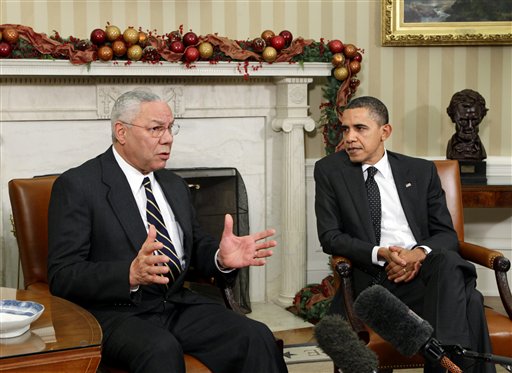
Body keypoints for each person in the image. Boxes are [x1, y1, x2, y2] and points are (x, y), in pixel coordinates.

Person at [47, 89, 287, 373]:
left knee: (255, 335)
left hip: (173, 303)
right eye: (156, 129)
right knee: (161, 350)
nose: (168, 138)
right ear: (121, 132)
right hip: (114, 312)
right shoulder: (78, 185)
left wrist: (220, 259)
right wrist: (129, 274)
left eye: (171, 127)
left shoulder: (173, 184)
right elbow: (63, 275)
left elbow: (195, 246)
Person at [314, 96, 495, 373]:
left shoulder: (420, 171)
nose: (349, 138)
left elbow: (446, 234)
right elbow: (330, 237)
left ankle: (443, 360)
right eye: (345, 129)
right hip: (373, 282)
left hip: (423, 275)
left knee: (445, 260)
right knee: (469, 300)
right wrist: (381, 254)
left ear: (384, 132)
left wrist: (417, 255)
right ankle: (447, 363)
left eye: (360, 128)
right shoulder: (330, 171)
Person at [446, 88, 488, 161]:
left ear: (481, 117)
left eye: (475, 120)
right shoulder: (451, 148)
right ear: (452, 117)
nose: (470, 126)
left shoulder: (480, 150)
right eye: (463, 120)